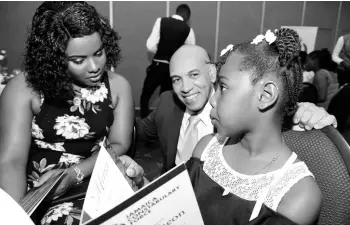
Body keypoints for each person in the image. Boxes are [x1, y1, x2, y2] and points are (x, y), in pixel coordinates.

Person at [0, 2, 135, 224]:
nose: (94, 67)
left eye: (99, 53)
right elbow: (12, 161)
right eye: (78, 60)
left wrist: (73, 175)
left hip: (94, 181)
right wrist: (17, 216)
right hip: (38, 190)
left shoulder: (119, 86)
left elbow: (119, 145)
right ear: (53, 57)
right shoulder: (23, 88)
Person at [185, 28, 322, 225]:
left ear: (265, 95)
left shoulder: (297, 195)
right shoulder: (206, 149)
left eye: (222, 87)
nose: (212, 100)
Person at [136, 44, 337, 174]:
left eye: (194, 75)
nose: (185, 88)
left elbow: (272, 115)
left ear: (212, 73)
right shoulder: (167, 102)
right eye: (176, 80)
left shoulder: (236, 111)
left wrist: (308, 113)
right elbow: (139, 131)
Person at [140, 4, 196, 118]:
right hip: (172, 70)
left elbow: (150, 46)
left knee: (145, 96)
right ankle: (161, 125)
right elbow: (190, 53)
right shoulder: (188, 30)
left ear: (176, 12)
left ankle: (144, 125)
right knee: (165, 101)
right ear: (187, 17)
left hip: (157, 65)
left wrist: (161, 50)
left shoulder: (161, 21)